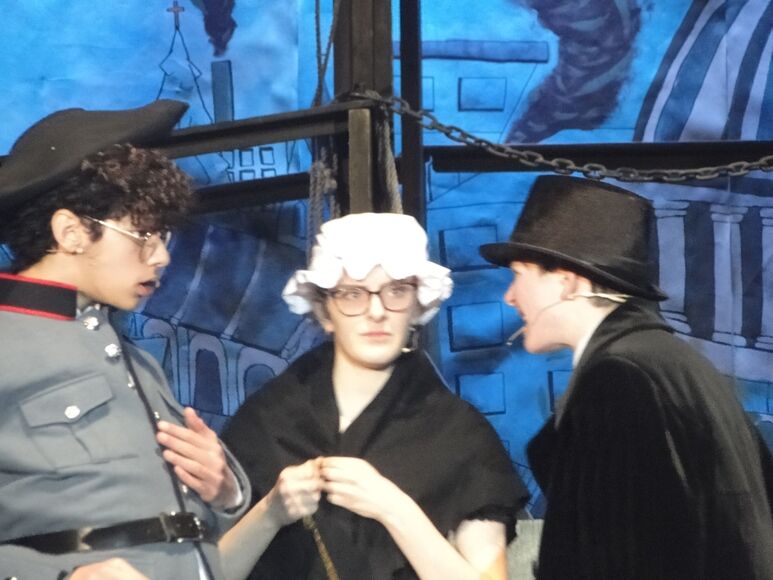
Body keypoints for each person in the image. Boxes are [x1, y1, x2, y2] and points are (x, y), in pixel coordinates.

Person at [0, 100, 250, 579]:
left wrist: (226, 490)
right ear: (71, 232)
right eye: (143, 235)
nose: (160, 257)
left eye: (163, 237)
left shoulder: (136, 360)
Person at [479, 175, 773, 580]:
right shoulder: (671, 363)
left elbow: (619, 559)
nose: (510, 296)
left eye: (518, 274)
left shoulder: (617, 380)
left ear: (566, 283)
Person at [220, 212, 529, 580]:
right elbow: (204, 572)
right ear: (324, 310)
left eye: (396, 291)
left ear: (418, 304)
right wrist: (269, 513)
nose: (377, 311)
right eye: (352, 294)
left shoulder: (459, 434)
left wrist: (394, 508)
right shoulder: (268, 420)